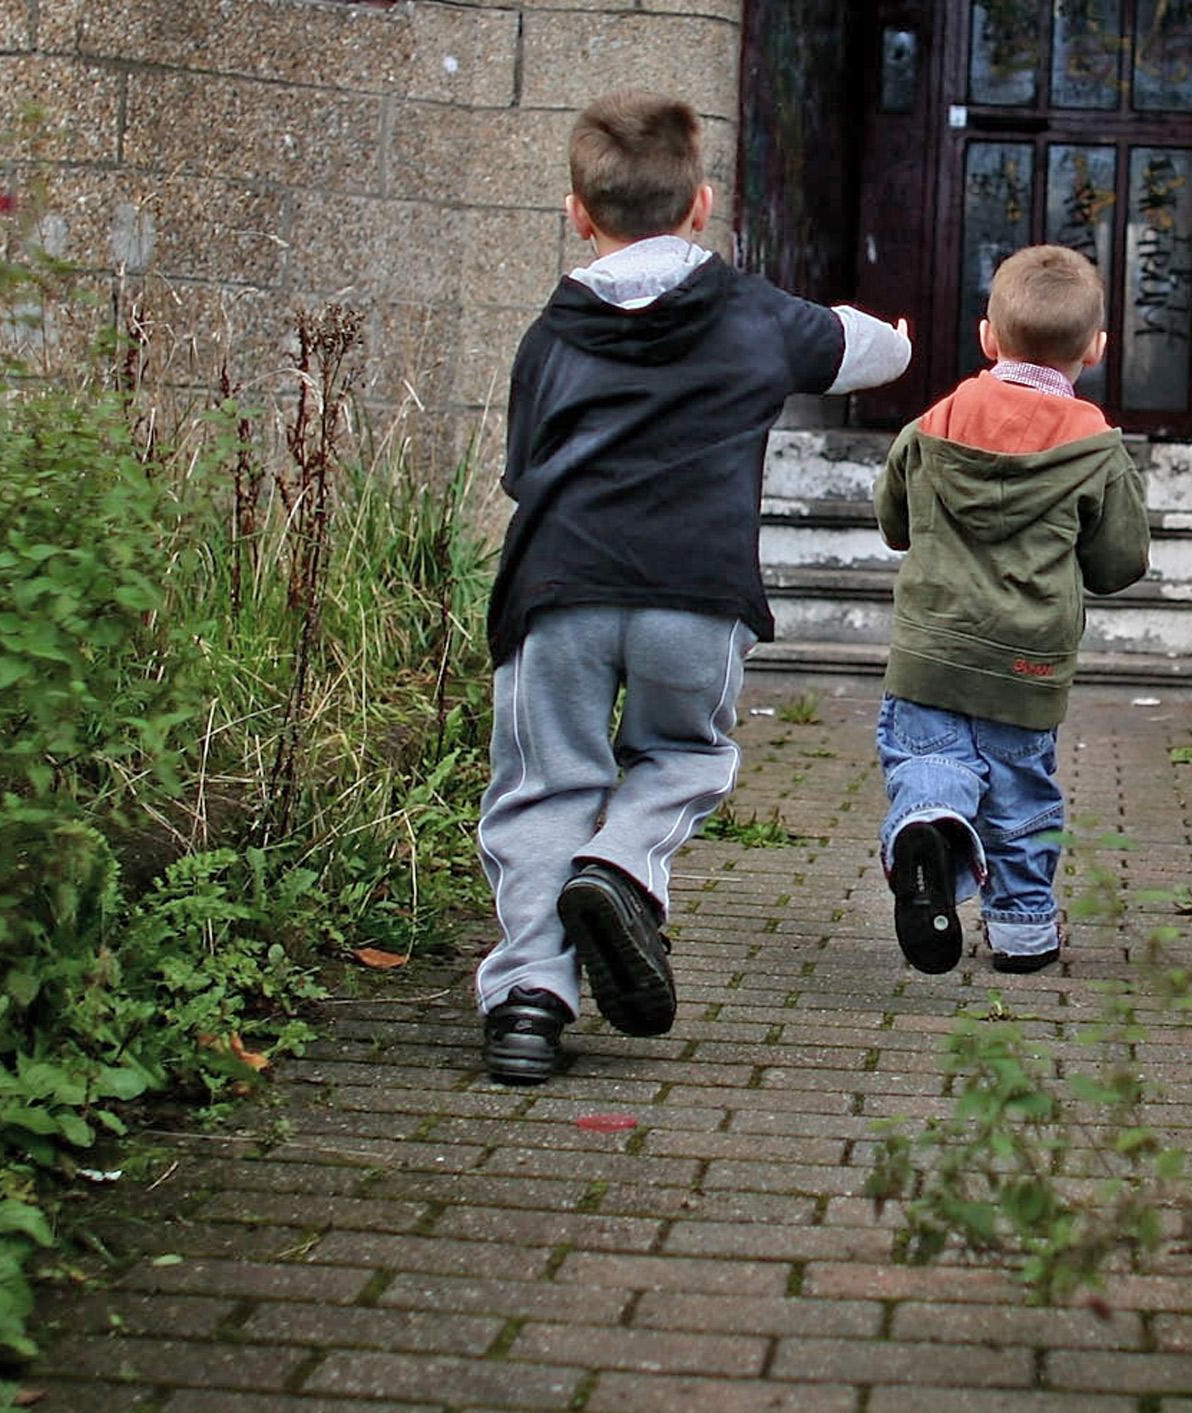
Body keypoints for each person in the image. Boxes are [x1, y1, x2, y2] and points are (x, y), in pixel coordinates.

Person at [477, 90, 911, 1083]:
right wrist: (880, 329)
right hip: (692, 591)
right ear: (701, 203)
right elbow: (873, 351)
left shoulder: (549, 336)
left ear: (578, 213)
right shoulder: (755, 317)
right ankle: (622, 869)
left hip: (558, 586)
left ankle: (528, 1005)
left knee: (544, 787)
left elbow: (519, 471)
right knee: (680, 755)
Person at [871, 244, 1148, 976]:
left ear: (987, 338)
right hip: (1027, 662)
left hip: (931, 651)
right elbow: (1121, 563)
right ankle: (1025, 933)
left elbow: (894, 520)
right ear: (1095, 348)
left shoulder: (936, 422)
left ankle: (927, 825)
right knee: (1023, 794)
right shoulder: (1094, 445)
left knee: (930, 760)